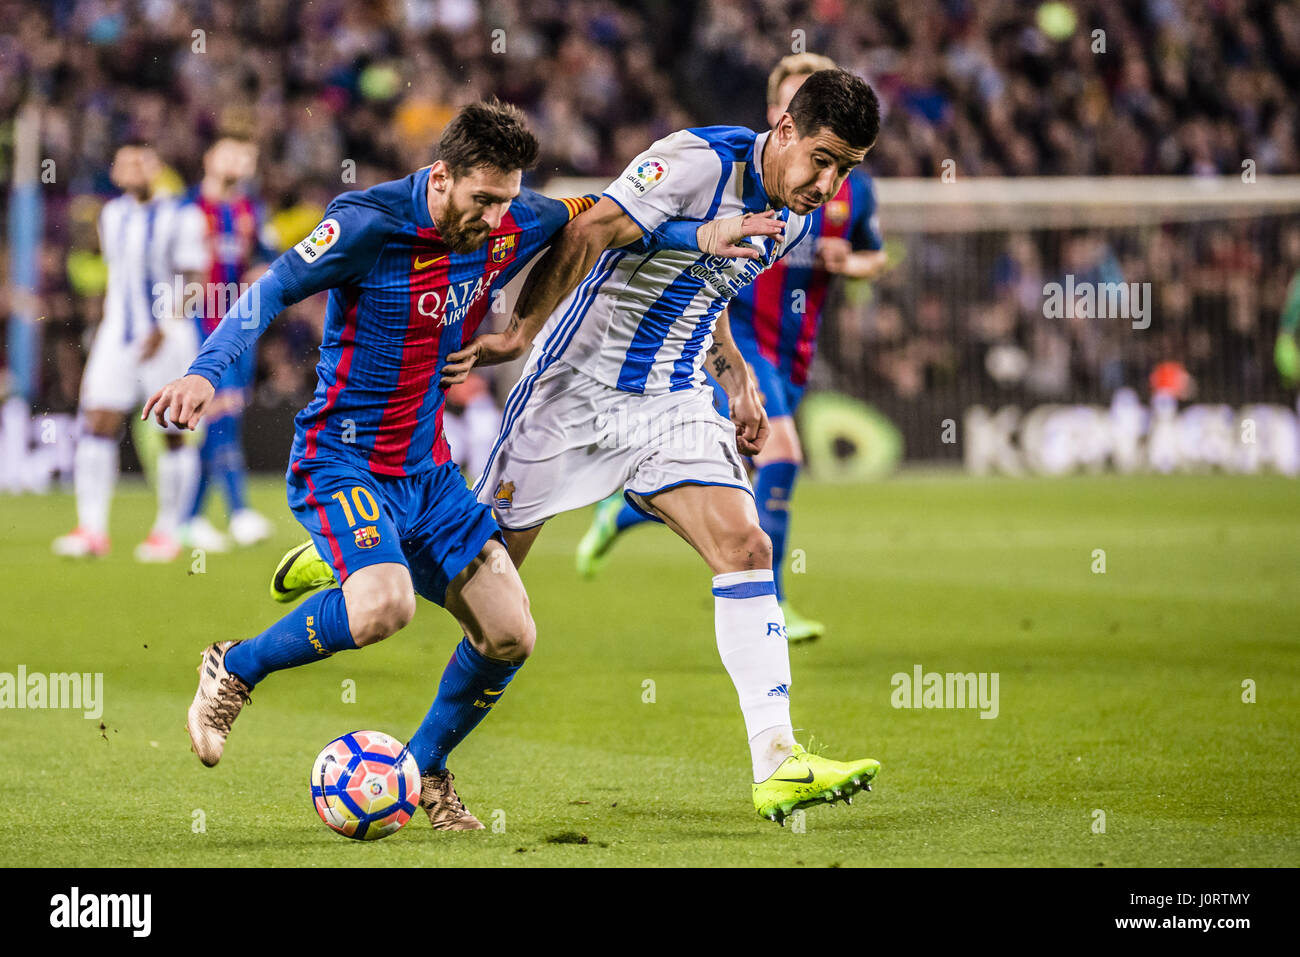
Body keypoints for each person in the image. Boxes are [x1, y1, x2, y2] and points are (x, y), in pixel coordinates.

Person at [144, 100, 780, 830]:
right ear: (440, 176)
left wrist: (701, 232)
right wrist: (205, 370)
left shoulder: (513, 216)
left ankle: (425, 771)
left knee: (512, 632)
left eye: (507, 199)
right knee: (386, 606)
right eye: (482, 198)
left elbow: (605, 218)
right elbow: (270, 291)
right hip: (344, 458)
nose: (495, 217)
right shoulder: (366, 222)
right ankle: (237, 666)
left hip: (431, 471)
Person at [443, 69, 885, 824]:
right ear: (783, 130)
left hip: (673, 400)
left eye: (847, 168)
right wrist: (517, 333)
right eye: (822, 158)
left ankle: (778, 760)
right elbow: (588, 229)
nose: (829, 181)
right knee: (478, 584)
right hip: (577, 391)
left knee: (747, 548)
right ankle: (373, 551)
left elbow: (706, 287)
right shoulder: (695, 160)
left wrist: (737, 374)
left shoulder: (798, 215)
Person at [576, 54, 890, 644]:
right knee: (783, 455)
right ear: (782, 118)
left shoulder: (848, 190)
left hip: (795, 346)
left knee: (734, 468)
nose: (827, 178)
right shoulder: (738, 177)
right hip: (736, 334)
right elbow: (628, 228)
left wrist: (853, 262)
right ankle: (776, 597)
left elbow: (879, 256)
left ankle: (620, 510)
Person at [53, 141, 201, 563]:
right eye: (124, 163)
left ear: (155, 167)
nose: (132, 169)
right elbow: (118, 276)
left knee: (172, 432)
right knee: (97, 420)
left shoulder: (181, 215)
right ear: (116, 172)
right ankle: (92, 529)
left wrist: (168, 322)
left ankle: (168, 531)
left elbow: (195, 277)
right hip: (117, 334)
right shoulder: (111, 214)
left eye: (141, 162)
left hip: (167, 335)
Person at [176, 135, 275, 551]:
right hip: (198, 323)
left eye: (247, 155)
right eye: (231, 152)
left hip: (240, 325)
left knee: (222, 417)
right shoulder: (185, 209)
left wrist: (260, 272)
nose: (239, 161)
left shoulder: (252, 210)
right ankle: (238, 512)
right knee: (219, 410)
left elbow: (266, 258)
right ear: (209, 158)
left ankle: (190, 518)